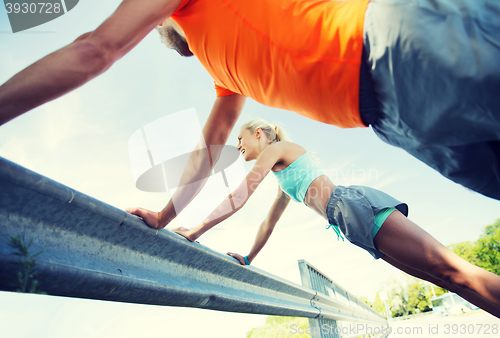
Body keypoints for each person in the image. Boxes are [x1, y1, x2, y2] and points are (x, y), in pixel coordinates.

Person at [0, 0, 499, 226]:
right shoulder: (225, 75)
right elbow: (205, 155)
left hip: (390, 45)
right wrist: (164, 216)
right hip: (391, 117)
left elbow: (95, 50)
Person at [152, 118, 500, 318]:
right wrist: (248, 257)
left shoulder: (277, 150)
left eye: (240, 139)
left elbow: (239, 195)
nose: (238, 146)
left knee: (455, 271)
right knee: (447, 280)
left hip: (352, 208)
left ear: (259, 133)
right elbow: (268, 223)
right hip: (350, 223)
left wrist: (196, 230)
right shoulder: (284, 178)